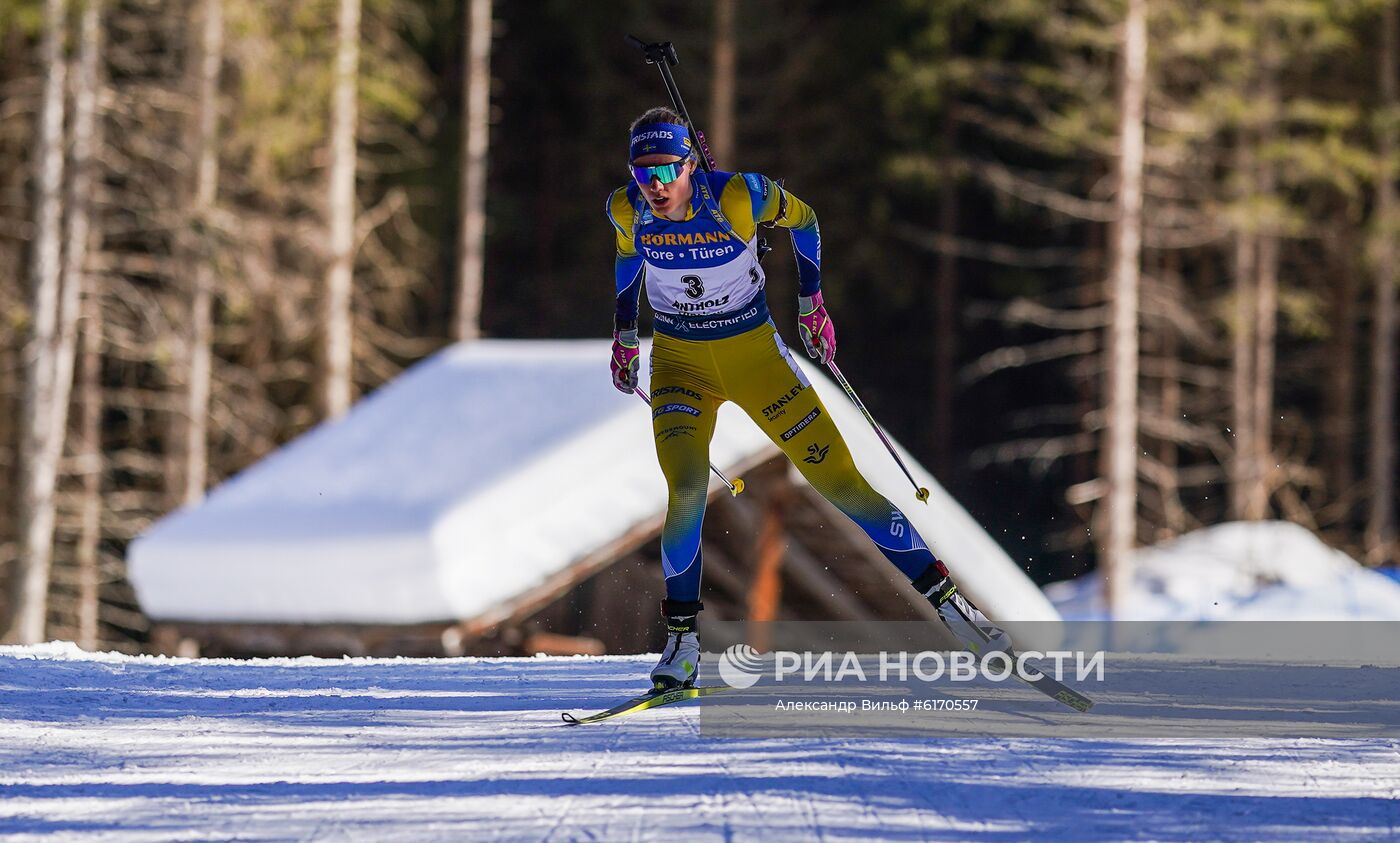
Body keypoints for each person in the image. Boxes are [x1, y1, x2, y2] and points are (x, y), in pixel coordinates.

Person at [606, 107, 1006, 691]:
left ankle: (953, 608)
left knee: (840, 483)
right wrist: (622, 337)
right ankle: (683, 646)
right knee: (687, 491)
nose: (657, 185)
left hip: (757, 361)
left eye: (667, 170)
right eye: (644, 174)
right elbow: (625, 257)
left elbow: (807, 219)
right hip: (679, 365)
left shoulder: (739, 197)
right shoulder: (627, 207)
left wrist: (812, 303)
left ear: (690, 163)